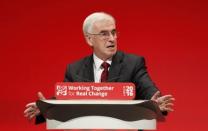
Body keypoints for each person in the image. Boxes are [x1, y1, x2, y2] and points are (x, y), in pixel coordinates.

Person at [24, 12, 175, 124]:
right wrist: (44, 109)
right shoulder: (74, 69)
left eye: (114, 32)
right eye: (104, 34)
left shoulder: (133, 63)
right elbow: (66, 100)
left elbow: (149, 90)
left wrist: (157, 103)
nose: (112, 38)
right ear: (89, 39)